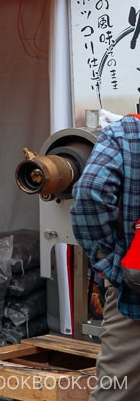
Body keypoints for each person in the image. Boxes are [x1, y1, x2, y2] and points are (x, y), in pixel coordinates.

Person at [72, 114, 140, 401]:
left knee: (118, 392)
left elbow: (90, 194)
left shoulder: (127, 133)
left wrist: (109, 262)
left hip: (135, 295)